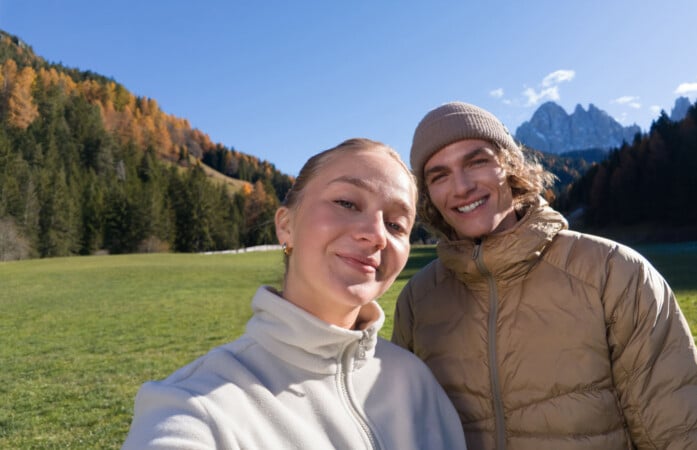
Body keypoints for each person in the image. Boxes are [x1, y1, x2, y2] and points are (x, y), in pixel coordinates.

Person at [391, 102, 697, 449]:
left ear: (510, 166)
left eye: (477, 161)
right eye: (439, 175)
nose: (460, 187)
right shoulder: (418, 300)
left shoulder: (613, 272)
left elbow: (684, 432)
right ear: (428, 194)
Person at [123, 138, 466, 449]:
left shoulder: (416, 380)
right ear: (286, 225)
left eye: (396, 225)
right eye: (346, 202)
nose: (376, 234)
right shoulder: (196, 404)